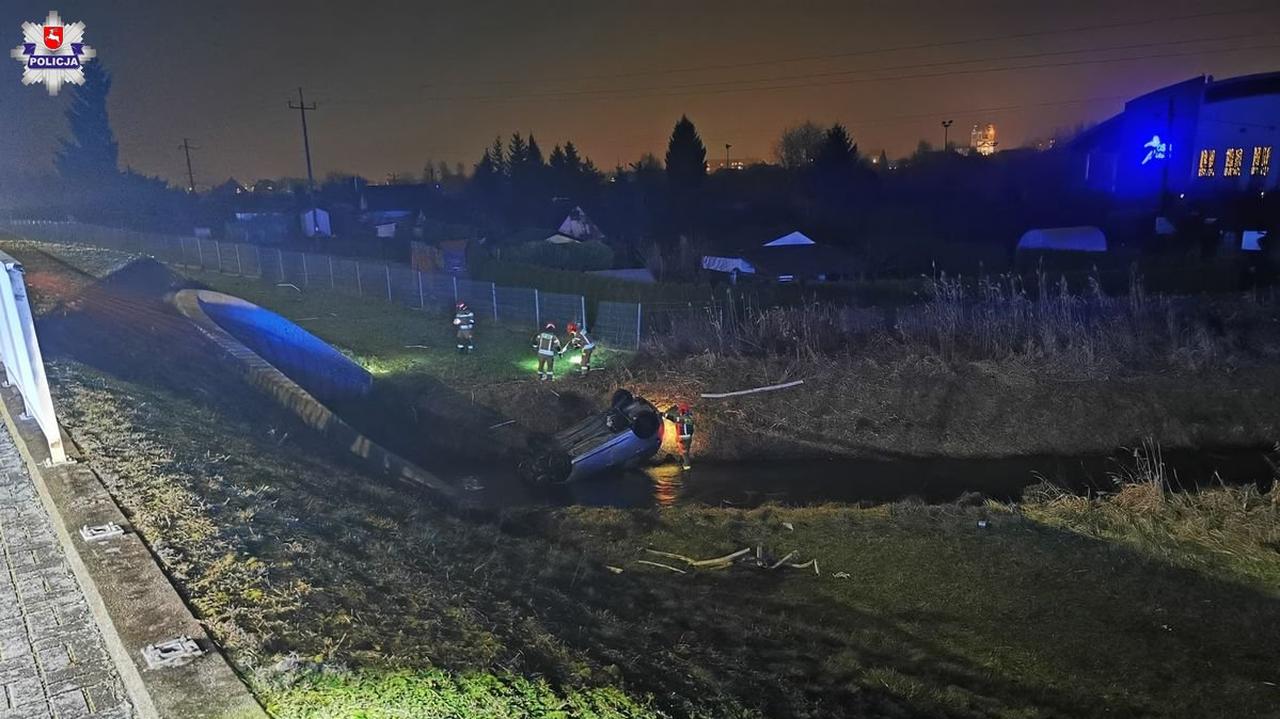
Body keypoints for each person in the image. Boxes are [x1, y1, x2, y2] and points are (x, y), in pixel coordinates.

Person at [664, 403, 695, 469]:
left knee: (684, 453)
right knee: (684, 452)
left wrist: (670, 411)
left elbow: (672, 418)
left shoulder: (683, 418)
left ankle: (686, 469)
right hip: (687, 438)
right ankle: (682, 464)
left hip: (683, 438)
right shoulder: (689, 418)